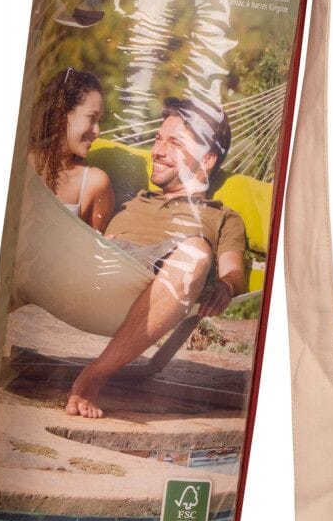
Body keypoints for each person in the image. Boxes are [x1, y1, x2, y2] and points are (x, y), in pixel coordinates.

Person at [66, 97, 246, 418]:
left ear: (206, 160)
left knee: (195, 252)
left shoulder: (222, 217)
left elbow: (233, 273)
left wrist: (225, 287)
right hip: (102, 269)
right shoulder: (130, 198)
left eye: (174, 143)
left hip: (162, 279)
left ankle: (96, 374)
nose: (157, 152)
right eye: (158, 139)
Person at [28, 67, 115, 232]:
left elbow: (96, 247)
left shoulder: (94, 183)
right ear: (62, 114)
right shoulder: (20, 162)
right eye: (91, 118)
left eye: (99, 121)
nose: (97, 132)